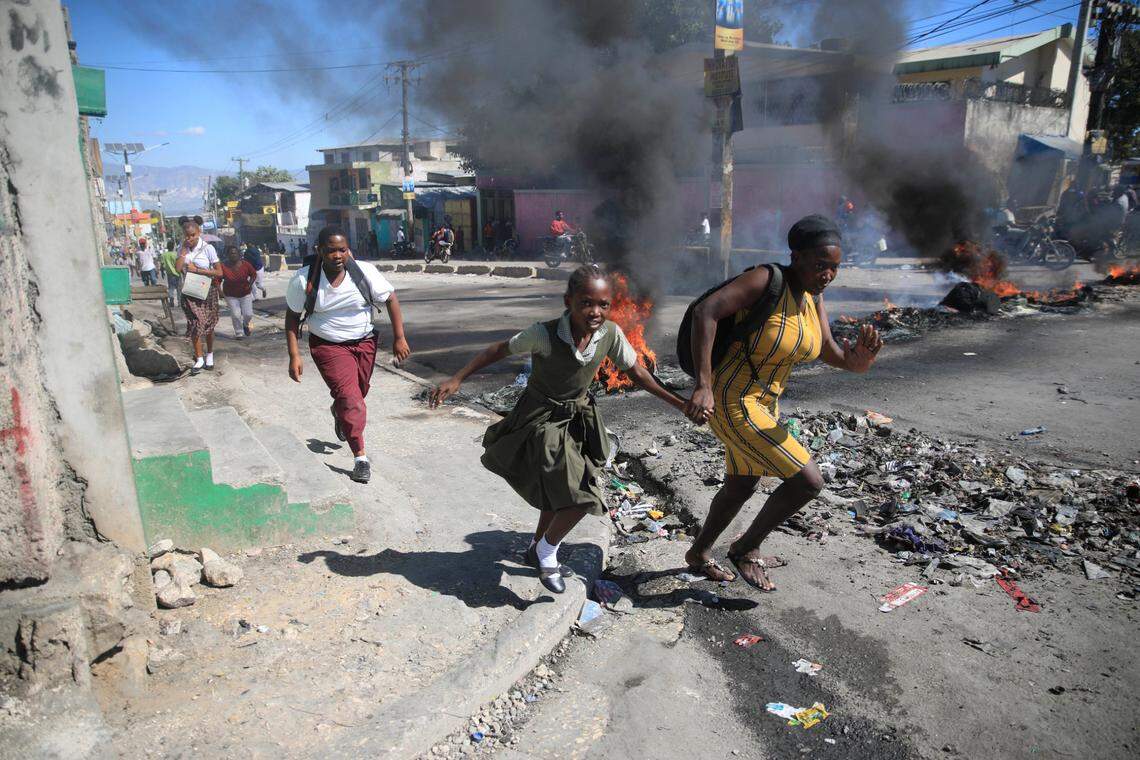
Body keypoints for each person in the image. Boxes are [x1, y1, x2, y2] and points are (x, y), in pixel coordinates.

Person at [429, 264, 689, 594]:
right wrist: (457, 378)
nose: (595, 312)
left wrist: (679, 404)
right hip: (540, 418)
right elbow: (498, 349)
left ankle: (536, 546)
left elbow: (637, 373)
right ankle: (547, 552)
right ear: (569, 301)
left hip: (577, 419)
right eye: (586, 303)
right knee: (582, 497)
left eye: (603, 304)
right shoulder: (544, 333)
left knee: (559, 493)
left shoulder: (610, 334)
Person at [682, 214, 883, 589]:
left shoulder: (812, 298)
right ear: (797, 256)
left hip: (764, 403)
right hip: (731, 398)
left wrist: (857, 363)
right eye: (821, 264)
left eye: (835, 267)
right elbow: (705, 311)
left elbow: (827, 350)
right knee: (808, 481)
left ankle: (698, 554)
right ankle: (746, 548)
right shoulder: (766, 280)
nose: (828, 274)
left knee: (742, 482)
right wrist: (703, 384)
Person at [284, 225, 411, 484]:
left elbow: (391, 299)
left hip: (364, 342)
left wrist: (400, 337)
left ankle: (339, 411)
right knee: (352, 399)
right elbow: (292, 318)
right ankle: (360, 458)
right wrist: (294, 355)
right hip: (328, 346)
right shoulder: (303, 279)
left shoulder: (364, 272)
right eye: (331, 251)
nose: (338, 255)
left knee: (358, 392)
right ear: (319, 251)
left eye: (342, 249)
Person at [175, 216, 223, 375]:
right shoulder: (182, 248)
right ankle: (199, 357)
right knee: (195, 323)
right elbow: (177, 269)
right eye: (187, 236)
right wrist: (183, 252)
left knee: (208, 324)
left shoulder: (208, 248)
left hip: (207, 291)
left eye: (193, 235)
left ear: (199, 233)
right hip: (190, 292)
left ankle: (209, 354)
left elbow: (219, 272)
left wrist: (198, 270)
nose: (189, 239)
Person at [220, 246, 258, 339]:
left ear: (239, 254)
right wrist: (219, 291)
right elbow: (217, 279)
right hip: (230, 294)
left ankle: (245, 325)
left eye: (235, 253)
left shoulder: (246, 264)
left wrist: (250, 284)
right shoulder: (223, 266)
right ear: (227, 255)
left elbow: (253, 274)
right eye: (231, 253)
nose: (233, 255)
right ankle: (239, 332)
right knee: (236, 314)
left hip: (245, 293)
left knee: (248, 314)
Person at [160, 240, 180, 307]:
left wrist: (162, 272)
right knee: (178, 288)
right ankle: (179, 302)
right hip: (177, 273)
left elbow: (162, 265)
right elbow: (178, 264)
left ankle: (171, 302)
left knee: (171, 288)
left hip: (169, 274)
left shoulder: (164, 255)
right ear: (173, 246)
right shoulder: (176, 254)